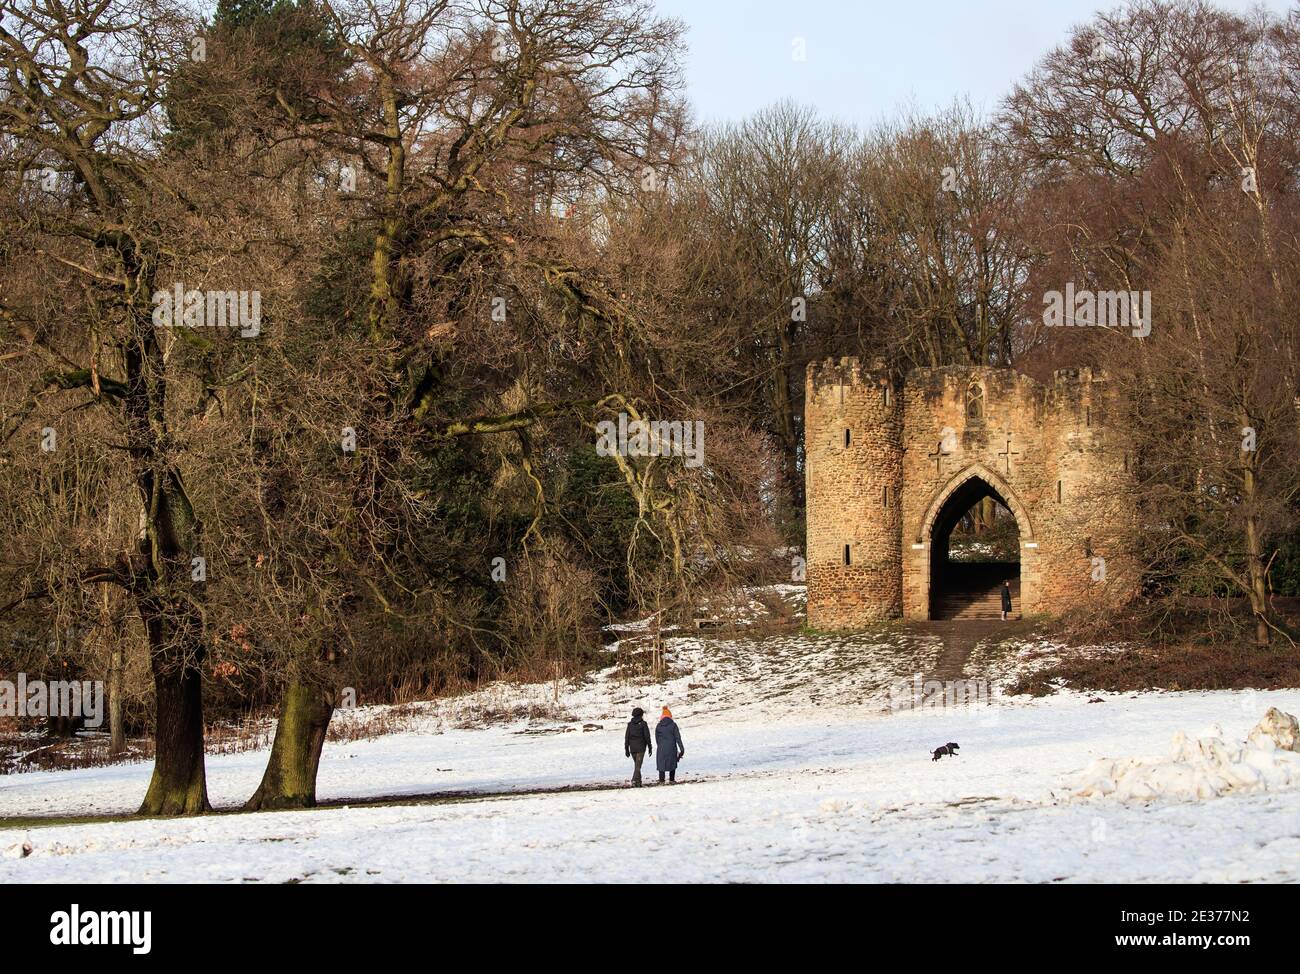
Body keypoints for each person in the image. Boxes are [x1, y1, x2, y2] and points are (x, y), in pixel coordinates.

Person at [655, 706, 685, 784]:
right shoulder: (673, 725)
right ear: (670, 716)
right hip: (671, 747)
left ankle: (661, 780)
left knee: (661, 763)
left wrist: (660, 745)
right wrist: (682, 749)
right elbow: (678, 737)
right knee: (672, 762)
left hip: (661, 747)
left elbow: (657, 738)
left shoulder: (658, 726)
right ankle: (671, 780)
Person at [624, 707, 652, 787]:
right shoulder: (643, 724)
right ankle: (634, 780)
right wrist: (650, 746)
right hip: (641, 748)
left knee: (637, 766)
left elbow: (627, 737)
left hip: (632, 748)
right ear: (641, 715)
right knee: (638, 766)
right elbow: (647, 736)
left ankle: (638, 782)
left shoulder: (630, 724)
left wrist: (626, 748)